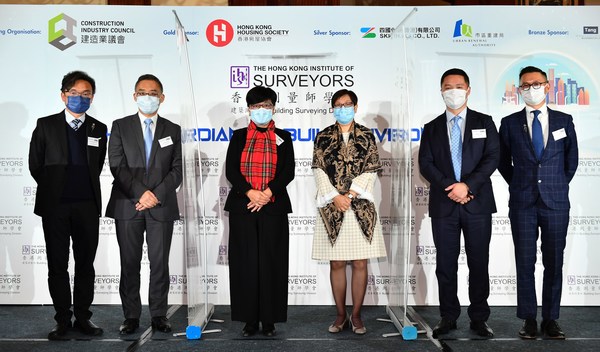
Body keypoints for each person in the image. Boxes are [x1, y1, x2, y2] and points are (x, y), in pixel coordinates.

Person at [418, 68, 499, 339]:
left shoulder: (484, 122)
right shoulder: (431, 128)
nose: (453, 91)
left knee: (479, 262)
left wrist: (468, 186)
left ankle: (479, 318)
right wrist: (450, 187)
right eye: (448, 87)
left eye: (459, 86)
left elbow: (492, 158)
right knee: (445, 264)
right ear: (441, 91)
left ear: (468, 90)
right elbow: (425, 164)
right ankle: (448, 316)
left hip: (477, 203)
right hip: (445, 204)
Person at [498, 65, 578, 340]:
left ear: (546, 86)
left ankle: (551, 319)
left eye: (536, 83)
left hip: (556, 202)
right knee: (525, 261)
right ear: (519, 90)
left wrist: (554, 184)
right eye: (525, 85)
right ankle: (529, 319)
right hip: (522, 202)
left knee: (554, 261)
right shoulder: (509, 123)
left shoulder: (563, 120)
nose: (530, 88)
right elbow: (502, 162)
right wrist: (520, 183)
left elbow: (571, 161)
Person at [29, 70, 107, 340]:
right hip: (55, 207)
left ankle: (83, 318)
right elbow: (35, 165)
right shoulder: (46, 125)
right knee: (57, 265)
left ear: (92, 97)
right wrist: (56, 188)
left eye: (86, 94)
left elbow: (96, 166)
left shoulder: (99, 128)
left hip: (87, 205)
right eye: (74, 93)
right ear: (63, 95)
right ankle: (62, 319)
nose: (79, 98)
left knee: (86, 264)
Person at [106, 74, 182, 335]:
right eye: (142, 92)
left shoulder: (172, 129)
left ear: (162, 97)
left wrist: (155, 195)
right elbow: (117, 165)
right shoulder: (120, 126)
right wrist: (141, 194)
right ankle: (131, 316)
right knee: (129, 262)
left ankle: (159, 314)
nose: (147, 97)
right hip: (128, 204)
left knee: (160, 263)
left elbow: (177, 170)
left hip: (161, 206)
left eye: (153, 93)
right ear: (134, 96)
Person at [311, 89, 386, 335]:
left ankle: (356, 316)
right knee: (337, 263)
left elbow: (371, 168)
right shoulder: (323, 136)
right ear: (332, 108)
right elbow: (318, 170)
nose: (343, 108)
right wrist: (335, 197)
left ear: (355, 106)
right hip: (332, 207)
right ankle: (341, 314)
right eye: (338, 104)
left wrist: (350, 195)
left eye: (347, 104)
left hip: (360, 206)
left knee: (360, 263)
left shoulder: (366, 135)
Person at [224, 85, 295, 337]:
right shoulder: (239, 136)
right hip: (244, 206)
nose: (261, 110)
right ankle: (249, 320)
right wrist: (251, 192)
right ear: (249, 110)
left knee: (272, 263)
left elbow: (288, 171)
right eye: (256, 106)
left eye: (266, 105)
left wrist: (266, 194)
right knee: (245, 264)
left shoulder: (284, 137)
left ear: (274, 107)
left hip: (272, 207)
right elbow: (231, 170)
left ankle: (270, 320)